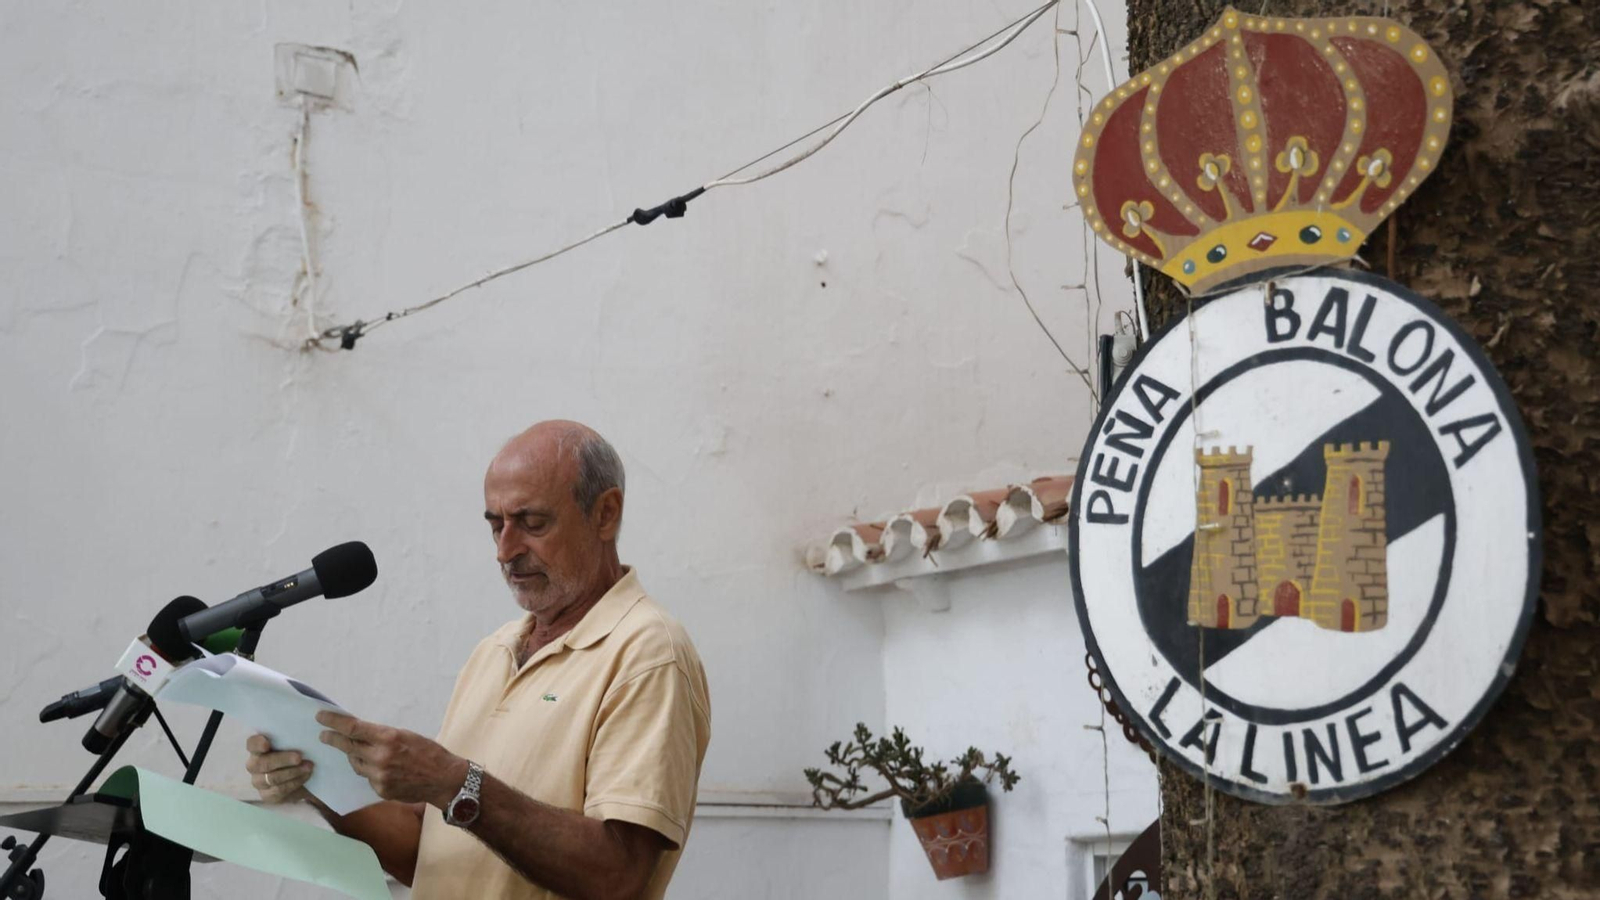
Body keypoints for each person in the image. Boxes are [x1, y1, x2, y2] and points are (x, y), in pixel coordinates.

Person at [244, 421, 711, 899]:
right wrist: (317, 779)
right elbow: (429, 852)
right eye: (495, 525)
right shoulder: (495, 650)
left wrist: (453, 782)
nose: (505, 551)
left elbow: (617, 875)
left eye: (532, 523)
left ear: (605, 513)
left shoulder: (648, 652)